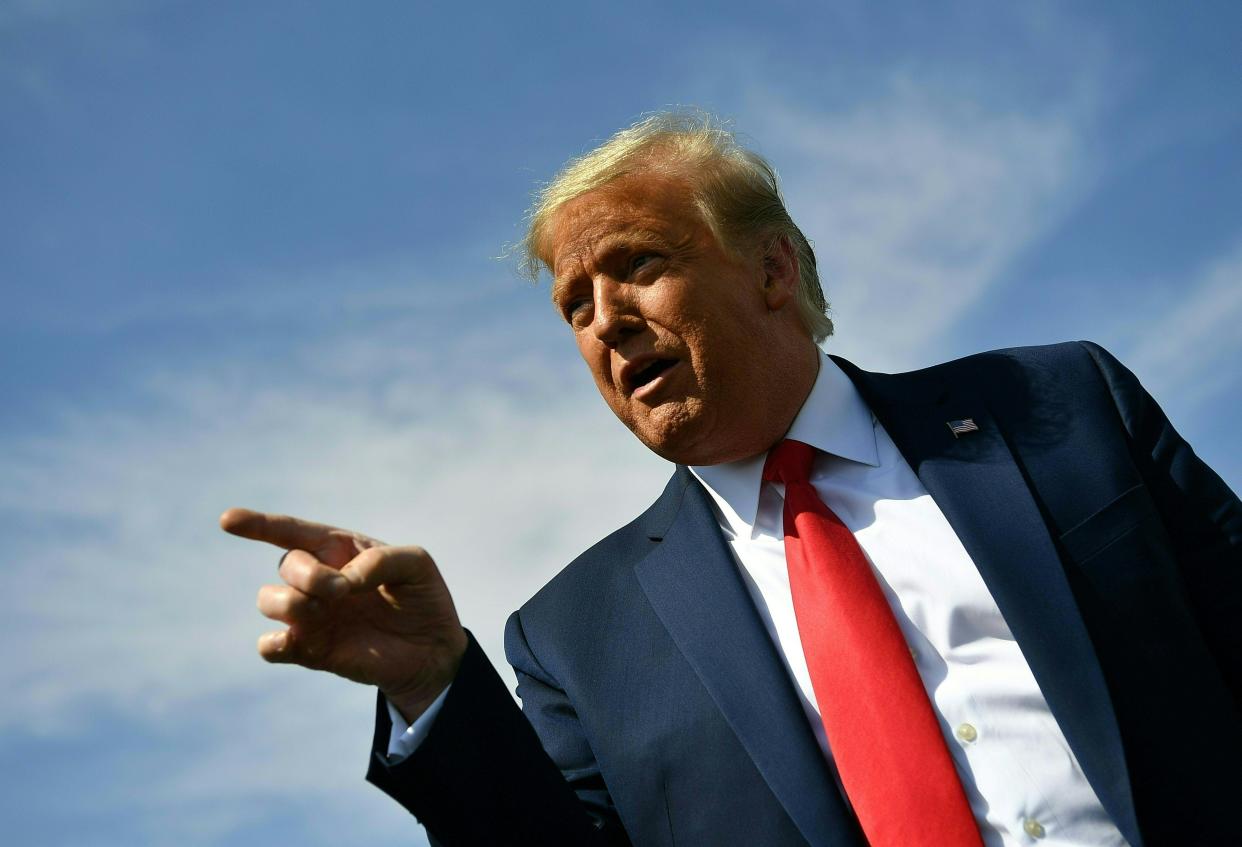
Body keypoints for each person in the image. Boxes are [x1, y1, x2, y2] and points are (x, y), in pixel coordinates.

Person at [220, 112, 1241, 847]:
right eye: (575, 307)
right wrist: (430, 682)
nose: (606, 318)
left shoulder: (1057, 405)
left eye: (638, 264)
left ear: (774, 270)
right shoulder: (575, 634)